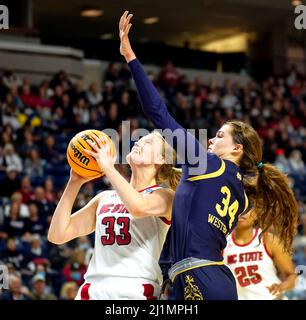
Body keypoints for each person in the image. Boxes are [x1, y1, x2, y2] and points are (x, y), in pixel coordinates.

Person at [119, 11, 298, 300]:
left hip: (197, 276)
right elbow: (192, 199)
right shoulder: (240, 194)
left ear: (237, 149)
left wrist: (130, 57)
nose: (211, 139)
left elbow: (157, 113)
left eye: (220, 135)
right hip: (212, 278)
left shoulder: (208, 164)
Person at [48, 130, 179, 299]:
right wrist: (74, 181)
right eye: (139, 139)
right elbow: (57, 235)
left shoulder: (165, 196)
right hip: (93, 289)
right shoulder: (105, 198)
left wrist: (108, 168)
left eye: (147, 142)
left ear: (161, 159)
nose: (138, 143)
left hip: (134, 290)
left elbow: (137, 207)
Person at [223, 210, 297, 300]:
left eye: (246, 210)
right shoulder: (222, 243)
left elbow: (292, 276)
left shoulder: (268, 240)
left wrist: (281, 286)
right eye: (239, 209)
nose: (241, 213)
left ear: (255, 215)